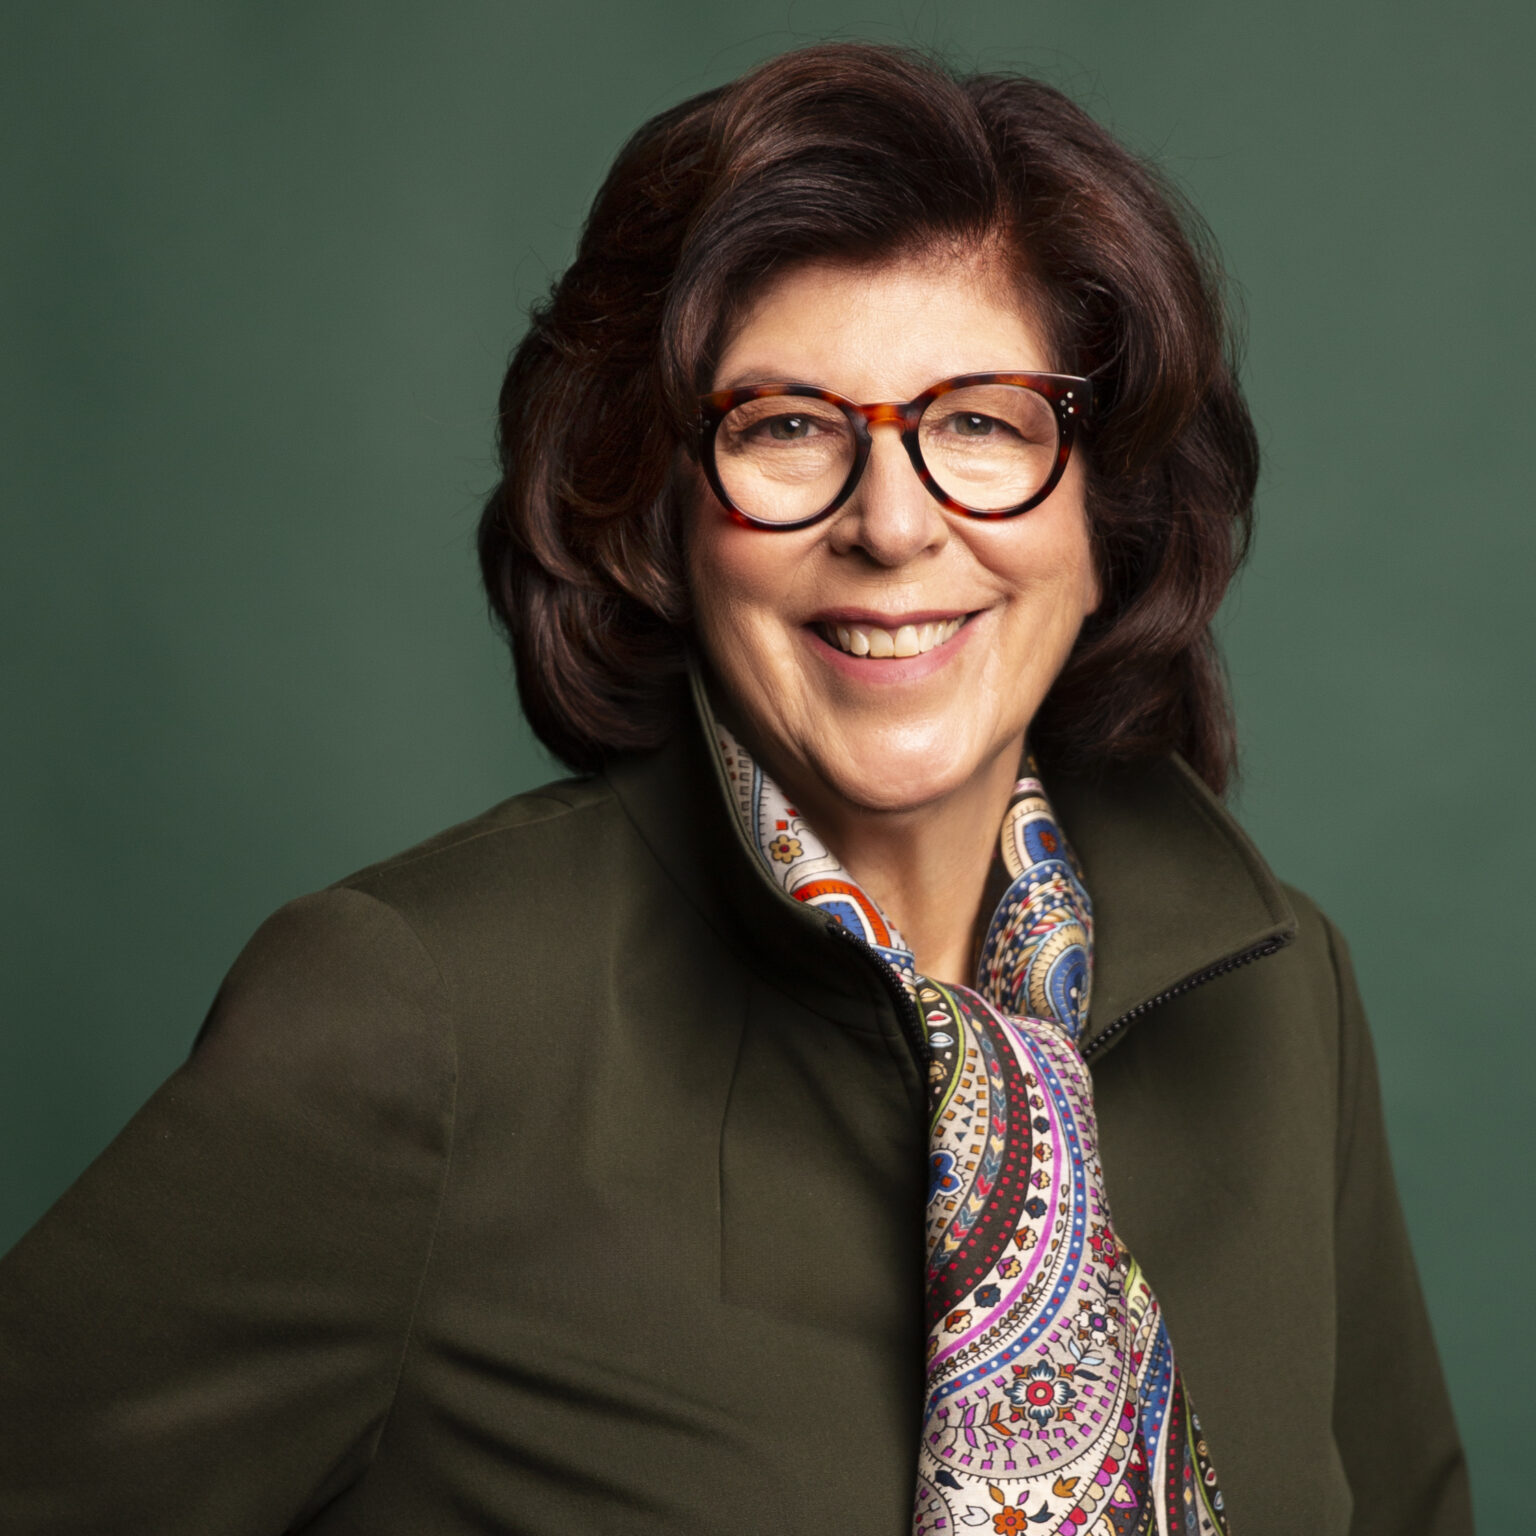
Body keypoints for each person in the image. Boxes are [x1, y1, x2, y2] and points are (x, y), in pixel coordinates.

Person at [0, 42, 1471, 1536]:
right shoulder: (414, 1020)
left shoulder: (1283, 999)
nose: (892, 525)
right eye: (785, 429)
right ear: (655, 520)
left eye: (982, 422)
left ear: (1111, 518)